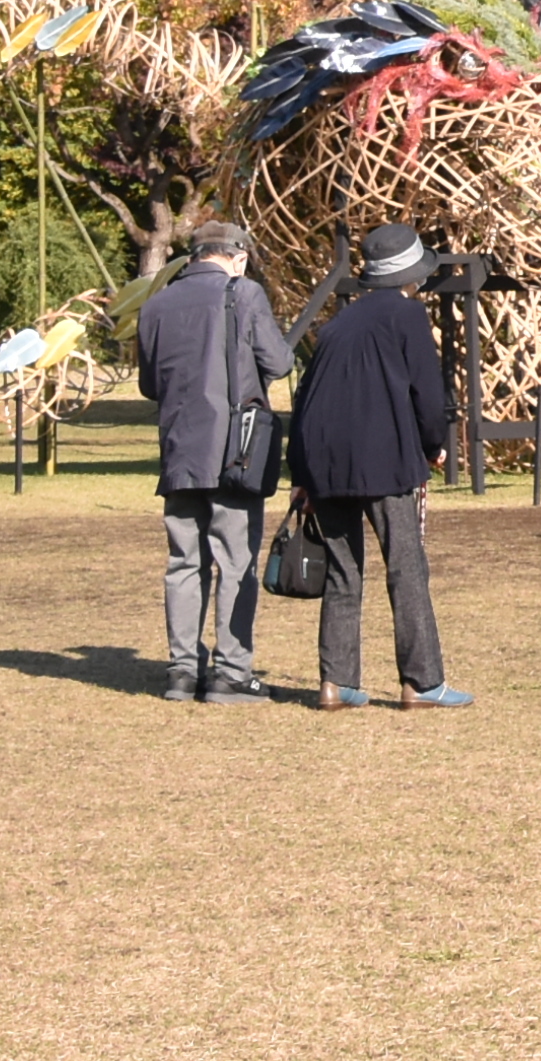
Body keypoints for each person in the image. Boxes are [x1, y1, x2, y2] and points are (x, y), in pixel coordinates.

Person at [289, 222, 472, 710]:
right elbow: (427, 393)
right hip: (385, 459)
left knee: (342, 571)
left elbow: (306, 398)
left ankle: (336, 683)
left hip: (324, 461)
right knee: (406, 567)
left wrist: (301, 473)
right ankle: (422, 682)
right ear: (412, 275)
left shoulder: (337, 324)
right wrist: (433, 444)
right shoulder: (408, 314)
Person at [134, 221, 293, 704]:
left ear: (194, 256)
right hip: (234, 451)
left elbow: (149, 385)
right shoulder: (244, 293)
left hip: (180, 447)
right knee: (235, 560)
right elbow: (280, 362)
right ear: (238, 258)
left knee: (183, 562)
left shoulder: (155, 303)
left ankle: (182, 670)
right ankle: (231, 671)